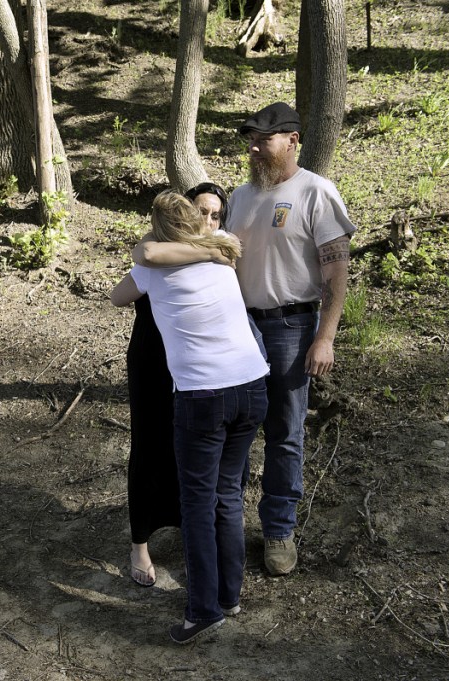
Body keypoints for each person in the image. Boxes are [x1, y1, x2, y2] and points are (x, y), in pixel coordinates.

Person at [135, 102, 356, 576]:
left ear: (293, 140)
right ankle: (223, 524)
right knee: (228, 429)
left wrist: (325, 337)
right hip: (240, 328)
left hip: (293, 328)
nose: (254, 147)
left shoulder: (316, 192)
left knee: (284, 433)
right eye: (250, 139)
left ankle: (278, 529)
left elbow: (337, 270)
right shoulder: (240, 195)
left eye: (264, 139)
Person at [112, 191, 269, 644]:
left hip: (204, 395)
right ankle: (229, 594)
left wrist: (149, 249)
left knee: (198, 504)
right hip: (252, 385)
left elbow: (116, 297)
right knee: (227, 496)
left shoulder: (149, 267)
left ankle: (203, 610)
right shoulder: (221, 249)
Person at [126, 182, 231, 588]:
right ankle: (140, 543)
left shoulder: (223, 251)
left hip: (196, 365)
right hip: (153, 361)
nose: (207, 221)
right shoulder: (161, 251)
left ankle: (192, 532)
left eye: (215, 214)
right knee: (149, 443)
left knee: (192, 452)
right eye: (200, 211)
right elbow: (128, 280)